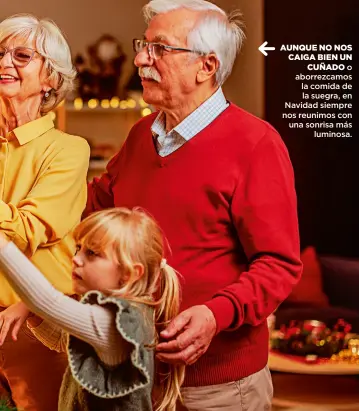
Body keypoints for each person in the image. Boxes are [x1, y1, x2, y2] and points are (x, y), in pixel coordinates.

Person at [85, 0, 303, 409]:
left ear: (207, 66)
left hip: (220, 387)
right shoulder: (138, 136)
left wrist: (215, 315)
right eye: (143, 45)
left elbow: (279, 265)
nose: (140, 59)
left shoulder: (256, 144)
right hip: (137, 374)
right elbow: (93, 210)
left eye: (159, 49)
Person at [0, 207, 184, 411]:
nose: (76, 259)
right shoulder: (133, 309)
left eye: (92, 254)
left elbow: (48, 301)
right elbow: (65, 340)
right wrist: (32, 310)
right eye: (78, 248)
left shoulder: (116, 323)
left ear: (129, 273)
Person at [0, 14, 90, 410]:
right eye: (0, 53)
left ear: (50, 78)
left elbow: (27, 230)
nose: (5, 63)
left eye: (21, 55)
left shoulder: (68, 150)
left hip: (34, 324)